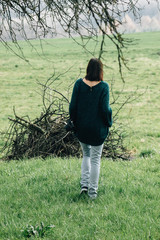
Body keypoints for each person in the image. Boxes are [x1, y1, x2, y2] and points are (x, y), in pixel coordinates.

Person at [69, 58, 112, 199]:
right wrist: (108, 122)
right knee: (95, 159)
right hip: (97, 129)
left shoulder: (79, 84)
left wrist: (73, 121)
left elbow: (73, 106)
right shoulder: (104, 87)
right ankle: (93, 193)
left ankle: (84, 185)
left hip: (82, 128)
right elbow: (105, 109)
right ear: (100, 70)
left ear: (88, 69)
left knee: (86, 155)